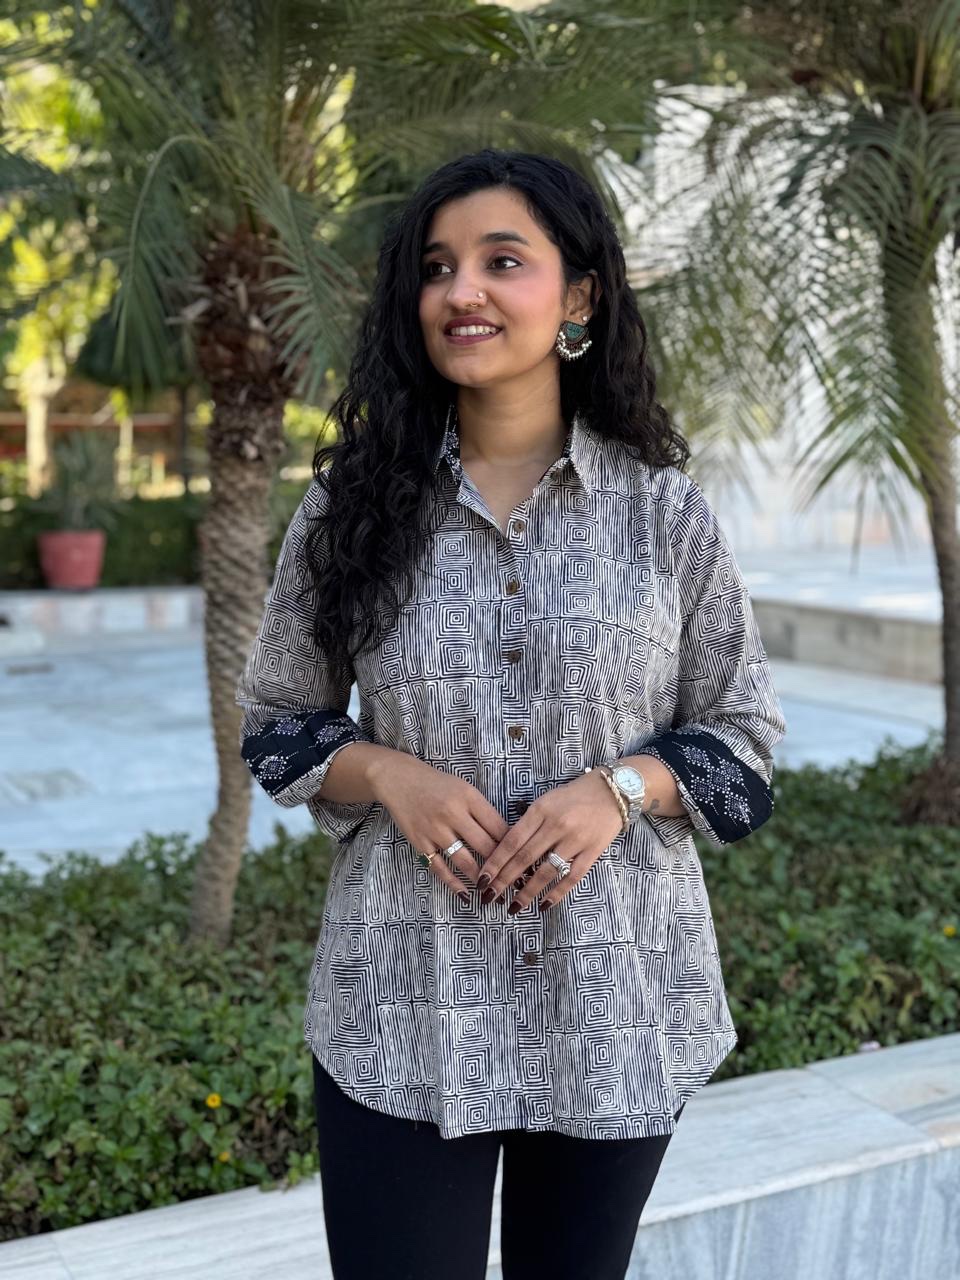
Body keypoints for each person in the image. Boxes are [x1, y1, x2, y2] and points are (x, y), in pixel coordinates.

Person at [235, 148, 787, 1280]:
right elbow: (277, 723)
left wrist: (619, 790)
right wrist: (388, 773)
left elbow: (744, 746)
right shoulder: (347, 507)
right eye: (437, 268)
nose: (462, 291)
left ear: (578, 296)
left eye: (502, 261)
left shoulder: (663, 514)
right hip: (403, 1005)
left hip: (615, 1005)